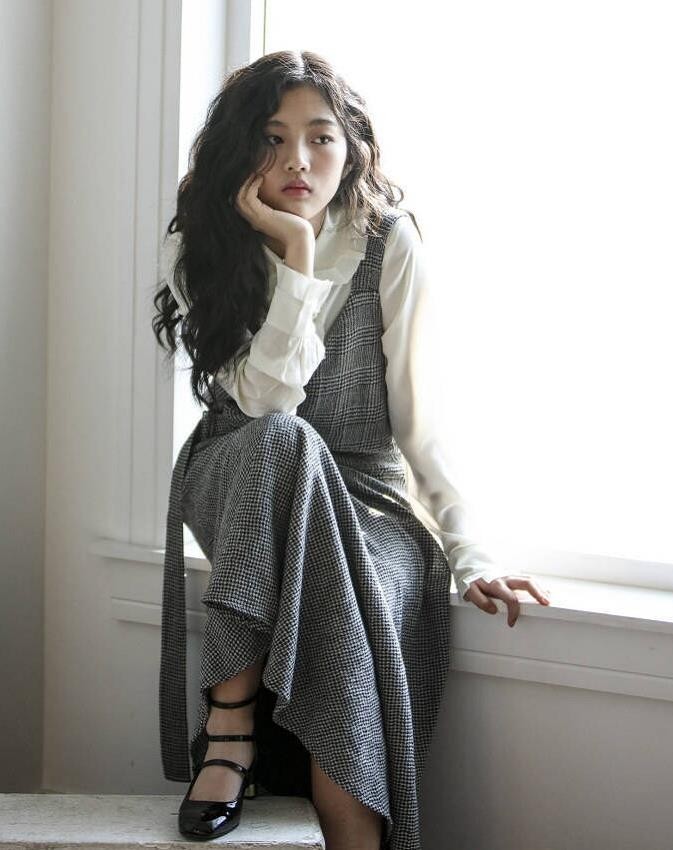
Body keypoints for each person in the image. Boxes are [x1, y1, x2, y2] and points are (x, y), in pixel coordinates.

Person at [152, 50, 551, 850]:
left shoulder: (389, 243)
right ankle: (239, 730)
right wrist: (297, 254)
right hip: (237, 469)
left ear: (352, 148)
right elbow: (265, 405)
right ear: (238, 150)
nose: (298, 160)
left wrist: (469, 555)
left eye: (320, 137)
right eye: (271, 138)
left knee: (341, 589)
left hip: (363, 497)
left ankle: (238, 745)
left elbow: (418, 421)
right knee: (283, 438)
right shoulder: (202, 244)